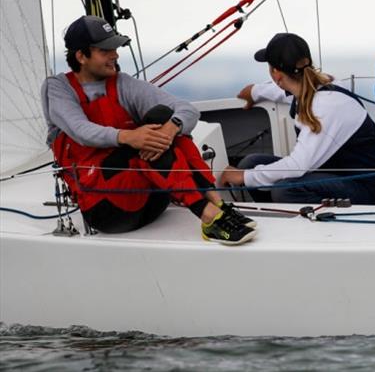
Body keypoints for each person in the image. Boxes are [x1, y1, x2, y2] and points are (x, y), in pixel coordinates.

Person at [42, 15, 256, 245]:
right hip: (107, 210)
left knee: (165, 120)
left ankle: (216, 204)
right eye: (106, 50)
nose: (115, 55)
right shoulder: (57, 88)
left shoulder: (122, 83)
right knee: (147, 140)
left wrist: (171, 128)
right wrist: (130, 137)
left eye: (115, 48)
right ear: (81, 56)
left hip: (153, 199)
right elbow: (81, 131)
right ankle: (207, 215)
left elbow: (187, 110)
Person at [220, 33, 375, 204]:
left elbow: (298, 165)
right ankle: (272, 213)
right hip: (331, 175)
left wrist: (244, 177)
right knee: (251, 163)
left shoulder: (325, 106)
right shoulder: (318, 85)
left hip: (364, 189)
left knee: (286, 190)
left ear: (276, 74)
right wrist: (254, 92)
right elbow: (282, 92)